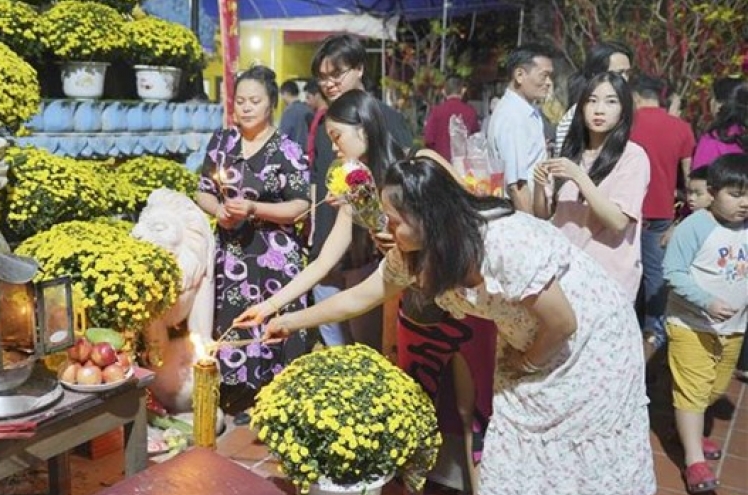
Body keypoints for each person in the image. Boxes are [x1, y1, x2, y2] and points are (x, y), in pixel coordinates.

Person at [263, 155, 655, 495]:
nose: (387, 229)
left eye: (396, 220)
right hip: (530, 341)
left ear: (428, 218)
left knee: (577, 457)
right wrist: (288, 320)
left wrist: (529, 363)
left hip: (588, 341)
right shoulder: (417, 251)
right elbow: (360, 296)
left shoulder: (501, 241)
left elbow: (563, 322)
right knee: (517, 452)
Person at [236, 89, 493, 492]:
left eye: (337, 138)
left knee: (469, 408)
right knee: (417, 397)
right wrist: (270, 307)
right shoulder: (356, 188)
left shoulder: (420, 166)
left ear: (365, 129)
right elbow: (324, 262)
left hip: (462, 295)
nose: (334, 149)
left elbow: (466, 216)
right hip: (409, 300)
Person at [195, 65, 312, 416]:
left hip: (273, 256)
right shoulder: (222, 142)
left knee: (273, 322)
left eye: (254, 101)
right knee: (234, 319)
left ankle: (276, 396)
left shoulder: (287, 149)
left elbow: (300, 205)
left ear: (271, 104)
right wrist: (219, 211)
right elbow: (203, 191)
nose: (245, 108)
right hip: (232, 253)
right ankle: (239, 392)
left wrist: (254, 208)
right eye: (240, 100)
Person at [306, 34, 412, 348]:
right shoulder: (326, 121)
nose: (328, 84)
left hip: (369, 255)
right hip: (329, 247)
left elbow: (400, 183)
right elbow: (320, 179)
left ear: (359, 69)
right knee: (335, 349)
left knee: (369, 347)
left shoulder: (385, 118)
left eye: (336, 74)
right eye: (322, 78)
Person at [662, 153, 748, 493]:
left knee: (714, 389)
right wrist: (706, 301)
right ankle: (695, 462)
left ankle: (689, 432)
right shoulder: (695, 226)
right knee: (694, 392)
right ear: (712, 192)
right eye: (736, 194)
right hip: (691, 325)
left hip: (734, 329)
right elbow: (673, 272)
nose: (745, 203)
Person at [533, 71, 650, 300]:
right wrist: (539, 185)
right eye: (592, 101)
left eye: (611, 102)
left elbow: (617, 222)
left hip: (606, 282)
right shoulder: (572, 151)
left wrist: (579, 176)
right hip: (564, 275)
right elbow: (544, 214)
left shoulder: (633, 156)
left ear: (623, 109)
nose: (599, 110)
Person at [629, 73, 696, 354]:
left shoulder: (626, 123)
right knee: (656, 275)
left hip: (627, 210)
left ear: (635, 96)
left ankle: (625, 327)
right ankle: (654, 331)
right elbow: (689, 178)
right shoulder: (681, 128)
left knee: (625, 271)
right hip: (661, 211)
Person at [486, 43, 556, 214]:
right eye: (543, 76)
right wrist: (533, 231)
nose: (548, 83)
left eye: (550, 77)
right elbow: (516, 185)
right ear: (519, 75)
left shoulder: (526, 111)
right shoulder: (513, 117)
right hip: (522, 216)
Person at [554, 41, 633, 156]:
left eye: (628, 73)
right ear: (596, 75)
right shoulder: (577, 115)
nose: (625, 79)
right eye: (619, 73)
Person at [423, 75, 479, 162]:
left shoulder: (436, 112)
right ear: (463, 91)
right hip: (463, 168)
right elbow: (476, 140)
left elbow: (428, 140)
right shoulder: (471, 112)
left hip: (441, 167)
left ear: (444, 92)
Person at [693, 81, 748, 169]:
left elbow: (699, 179)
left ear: (719, 105)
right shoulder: (742, 134)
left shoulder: (712, 140)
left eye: (712, 98)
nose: (710, 102)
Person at [278, 79, 312, 150]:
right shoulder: (308, 109)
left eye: (282, 95)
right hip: (309, 152)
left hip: (294, 154)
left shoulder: (288, 112)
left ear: (286, 93)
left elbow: (283, 135)